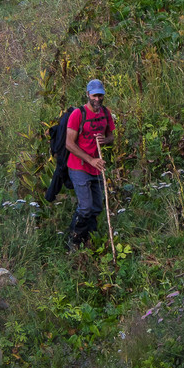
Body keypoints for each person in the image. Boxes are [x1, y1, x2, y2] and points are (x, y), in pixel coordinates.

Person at [64, 79, 114, 249]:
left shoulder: (105, 113)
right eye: (94, 96)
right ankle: (74, 240)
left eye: (100, 95)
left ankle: (89, 238)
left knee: (97, 207)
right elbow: (69, 144)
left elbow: (111, 137)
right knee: (85, 207)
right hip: (79, 166)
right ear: (87, 95)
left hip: (96, 167)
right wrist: (91, 160)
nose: (98, 99)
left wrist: (104, 140)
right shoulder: (78, 114)